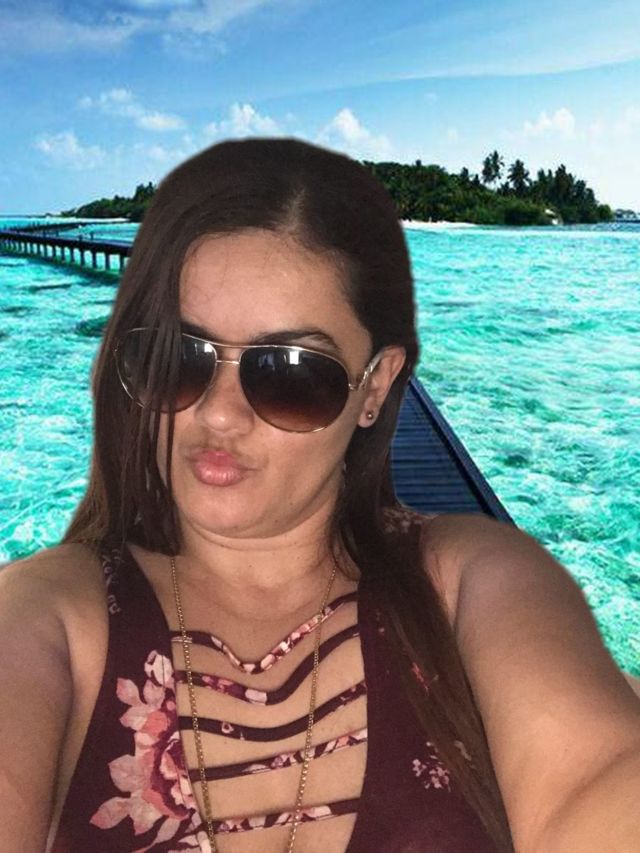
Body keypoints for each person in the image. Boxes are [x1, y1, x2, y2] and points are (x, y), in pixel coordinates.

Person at [1, 138, 639, 853]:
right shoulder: (51, 616)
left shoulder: (470, 584)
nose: (219, 415)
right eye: (178, 356)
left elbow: (597, 777)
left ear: (374, 387)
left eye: (291, 372)